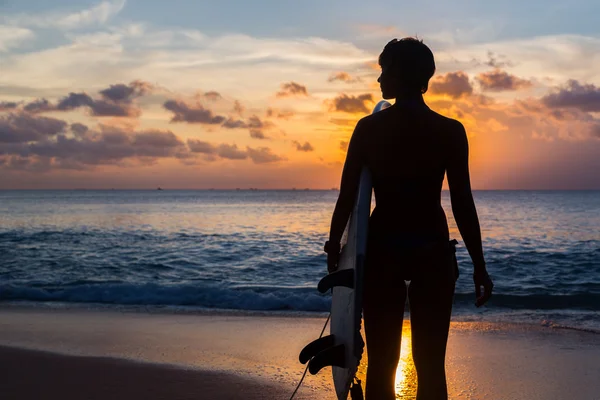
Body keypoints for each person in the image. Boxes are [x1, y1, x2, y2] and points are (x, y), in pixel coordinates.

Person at [324, 37, 494, 400]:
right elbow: (463, 203)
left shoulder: (368, 129)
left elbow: (348, 197)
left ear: (400, 73)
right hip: (433, 251)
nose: (379, 78)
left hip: (382, 252)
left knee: (383, 361)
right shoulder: (450, 130)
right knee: (431, 363)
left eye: (384, 69)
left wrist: (334, 247)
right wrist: (479, 265)